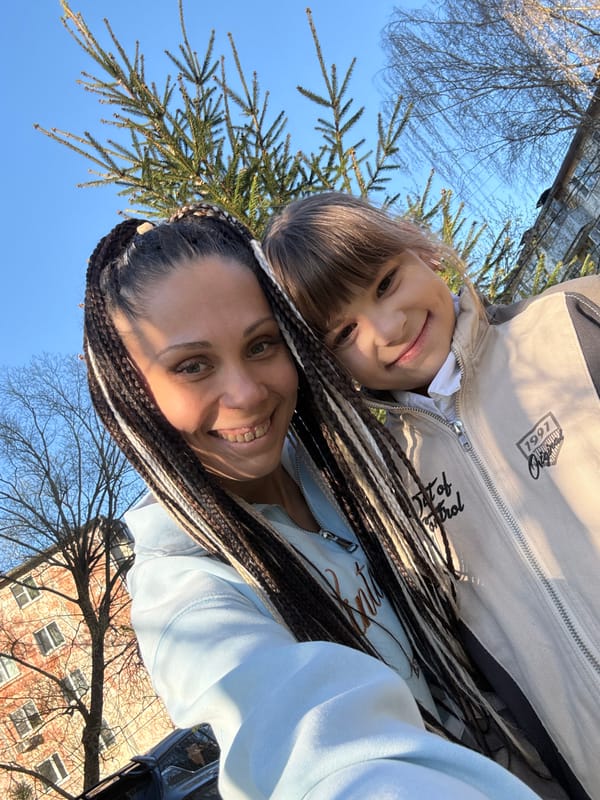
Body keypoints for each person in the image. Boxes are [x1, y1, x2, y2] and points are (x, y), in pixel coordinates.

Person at [83, 203, 549, 800]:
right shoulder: (186, 592)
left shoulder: (366, 453)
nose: (247, 393)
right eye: (193, 365)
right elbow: (297, 741)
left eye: (261, 345)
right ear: (132, 394)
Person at [263, 190, 600, 800]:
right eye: (345, 331)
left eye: (386, 282)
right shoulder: (388, 490)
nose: (388, 328)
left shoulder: (574, 322)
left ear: (419, 251)